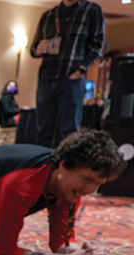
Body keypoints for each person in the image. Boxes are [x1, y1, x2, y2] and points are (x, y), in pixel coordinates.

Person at [30, 0, 105, 148]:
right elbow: (33, 48)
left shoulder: (91, 10)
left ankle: (66, 162)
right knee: (43, 130)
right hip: (47, 78)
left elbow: (97, 45)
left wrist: (81, 69)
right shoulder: (49, 15)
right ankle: (43, 162)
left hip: (72, 79)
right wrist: (38, 49)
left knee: (68, 131)